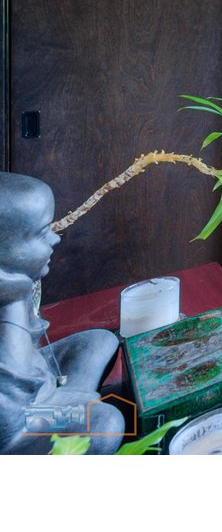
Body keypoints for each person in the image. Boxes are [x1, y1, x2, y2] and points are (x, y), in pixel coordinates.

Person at [0, 173, 123, 454]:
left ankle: (72, 398)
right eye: (41, 234)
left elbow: (30, 352)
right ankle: (78, 403)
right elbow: (14, 424)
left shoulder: (15, 290)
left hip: (39, 377)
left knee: (98, 343)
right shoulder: (8, 301)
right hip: (21, 420)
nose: (55, 239)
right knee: (106, 424)